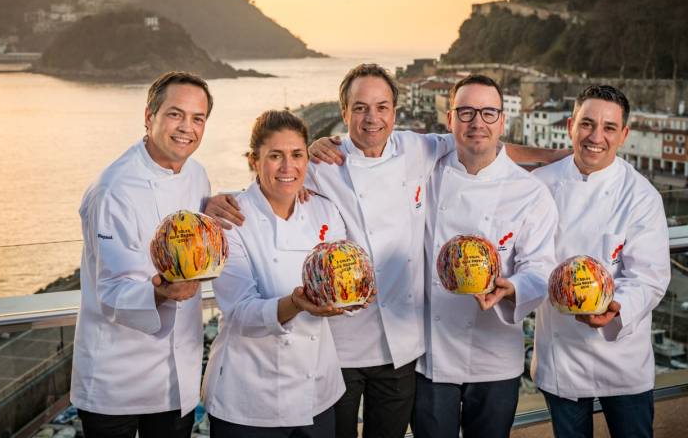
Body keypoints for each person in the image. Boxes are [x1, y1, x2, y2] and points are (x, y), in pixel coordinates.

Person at [206, 64, 562, 438]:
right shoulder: (319, 163)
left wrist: (558, 158)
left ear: (394, 111)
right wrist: (218, 202)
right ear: (343, 113)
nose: (372, 118)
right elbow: (273, 178)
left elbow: (480, 141)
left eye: (381, 107)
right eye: (360, 108)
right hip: (340, 345)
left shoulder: (418, 147)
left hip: (401, 346)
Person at [412, 75, 558, 438]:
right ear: (450, 121)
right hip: (432, 355)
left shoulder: (530, 192)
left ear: (502, 121)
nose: (478, 122)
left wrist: (512, 288)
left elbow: (540, 266)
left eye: (489, 113)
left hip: (495, 357)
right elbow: (373, 155)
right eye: (466, 112)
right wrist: (325, 144)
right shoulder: (422, 175)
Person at [71, 71, 213, 438]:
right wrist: (161, 292)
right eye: (175, 114)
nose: (187, 127)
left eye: (198, 118)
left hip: (175, 377)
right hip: (116, 378)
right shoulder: (113, 189)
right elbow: (110, 291)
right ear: (149, 117)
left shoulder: (198, 176)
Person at [203, 110, 357, 438]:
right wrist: (298, 303)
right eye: (275, 156)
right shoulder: (229, 220)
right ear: (253, 161)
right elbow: (240, 312)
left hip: (316, 393)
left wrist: (356, 292)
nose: (288, 167)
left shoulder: (325, 210)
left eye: (297, 155)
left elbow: (344, 273)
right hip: (249, 399)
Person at [531, 85, 670, 438]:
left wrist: (614, 308)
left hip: (621, 354)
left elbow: (649, 277)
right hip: (561, 354)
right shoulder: (539, 185)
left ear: (623, 135)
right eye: (587, 124)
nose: (596, 137)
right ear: (570, 126)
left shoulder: (641, 196)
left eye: (609, 128)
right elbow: (526, 257)